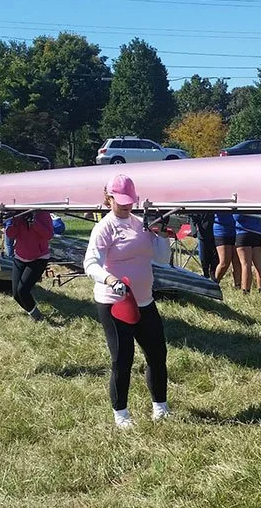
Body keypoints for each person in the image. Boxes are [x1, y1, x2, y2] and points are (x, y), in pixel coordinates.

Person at [83, 174, 172, 429]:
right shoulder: (104, 228)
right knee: (123, 359)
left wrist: (162, 235)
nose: (125, 205)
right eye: (119, 200)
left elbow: (163, 258)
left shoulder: (141, 224)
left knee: (157, 354)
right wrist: (109, 279)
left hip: (144, 300)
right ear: (108, 198)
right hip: (116, 303)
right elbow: (90, 263)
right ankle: (121, 414)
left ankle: (161, 408)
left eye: (129, 201)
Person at [4, 209, 53, 321]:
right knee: (16, 294)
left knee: (23, 290)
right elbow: (10, 234)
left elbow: (49, 235)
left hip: (38, 258)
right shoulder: (18, 215)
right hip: (20, 257)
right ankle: (33, 312)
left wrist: (33, 222)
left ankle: (38, 318)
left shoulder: (43, 214)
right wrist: (8, 221)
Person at [233, 213, 261, 294]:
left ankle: (246, 291)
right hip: (257, 232)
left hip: (243, 232)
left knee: (245, 264)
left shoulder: (241, 204)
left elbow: (236, 217)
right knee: (259, 264)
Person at [212, 212, 241, 288]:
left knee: (237, 261)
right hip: (221, 230)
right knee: (224, 262)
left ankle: (237, 286)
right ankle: (214, 284)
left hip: (237, 230)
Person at [191, 213, 218, 279]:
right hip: (202, 235)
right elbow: (192, 218)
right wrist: (194, 231)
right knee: (204, 258)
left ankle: (213, 275)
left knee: (215, 258)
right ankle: (206, 274)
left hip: (216, 234)